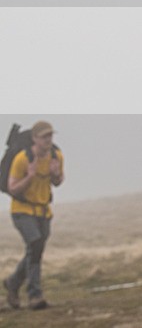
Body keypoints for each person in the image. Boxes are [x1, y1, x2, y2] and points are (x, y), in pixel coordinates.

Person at [3, 121, 64, 310]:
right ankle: (35, 295)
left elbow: (58, 181)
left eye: (50, 136)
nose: (48, 140)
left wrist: (55, 174)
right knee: (35, 244)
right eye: (44, 136)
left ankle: (12, 283)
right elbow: (12, 187)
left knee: (34, 250)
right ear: (34, 138)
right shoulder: (22, 159)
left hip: (44, 212)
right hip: (22, 211)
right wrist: (29, 176)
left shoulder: (56, 155)